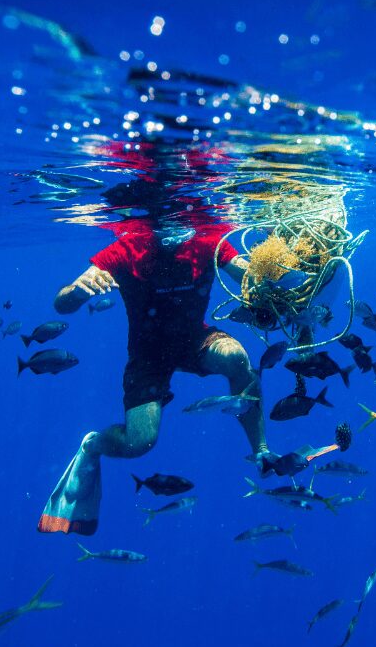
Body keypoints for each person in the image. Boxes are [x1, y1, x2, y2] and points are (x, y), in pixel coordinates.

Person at [37, 214, 274, 536]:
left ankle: (260, 449)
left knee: (235, 357)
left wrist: (276, 278)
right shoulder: (127, 248)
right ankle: (93, 444)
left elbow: (246, 274)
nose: (174, 232)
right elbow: (61, 305)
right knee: (139, 444)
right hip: (147, 355)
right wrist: (79, 290)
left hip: (195, 340)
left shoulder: (208, 239)